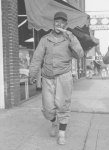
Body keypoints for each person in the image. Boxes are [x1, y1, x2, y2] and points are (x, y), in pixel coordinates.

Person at [28, 11, 84, 145]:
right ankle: (54, 122)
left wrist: (71, 38)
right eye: (56, 21)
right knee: (47, 108)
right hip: (47, 77)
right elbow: (37, 57)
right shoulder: (45, 39)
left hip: (64, 76)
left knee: (63, 105)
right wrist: (32, 73)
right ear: (53, 23)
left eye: (62, 22)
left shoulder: (69, 38)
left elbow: (80, 55)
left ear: (66, 25)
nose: (59, 24)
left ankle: (62, 134)